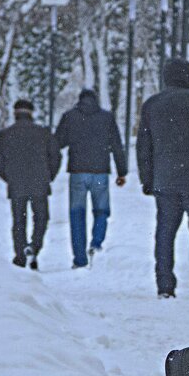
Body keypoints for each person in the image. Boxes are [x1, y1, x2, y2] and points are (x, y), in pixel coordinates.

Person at [136, 57, 189, 298]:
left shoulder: (152, 105)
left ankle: (165, 285)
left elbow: (144, 147)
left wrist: (148, 179)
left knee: (165, 234)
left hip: (165, 180)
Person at [54, 89, 127, 269]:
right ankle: (96, 243)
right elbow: (117, 145)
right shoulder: (107, 118)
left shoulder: (69, 117)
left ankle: (79, 259)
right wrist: (121, 172)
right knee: (101, 210)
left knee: (77, 214)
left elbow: (57, 143)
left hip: (78, 171)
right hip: (100, 171)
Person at [0, 99, 61, 270]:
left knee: (19, 220)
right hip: (40, 183)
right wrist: (48, 176)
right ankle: (34, 247)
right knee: (41, 218)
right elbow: (56, 157)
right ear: (31, 113)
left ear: (15, 113)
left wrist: (9, 177)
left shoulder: (6, 134)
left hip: (17, 184)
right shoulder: (43, 133)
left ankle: (20, 254)